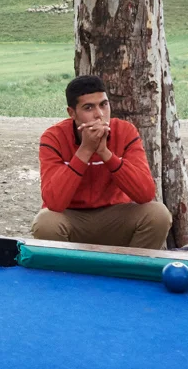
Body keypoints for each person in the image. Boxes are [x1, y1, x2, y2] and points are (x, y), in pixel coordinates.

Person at [31, 75, 172, 248]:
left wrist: (105, 153)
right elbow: (54, 202)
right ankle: (70, 272)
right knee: (45, 223)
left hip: (116, 217)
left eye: (103, 105)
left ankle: (128, 271)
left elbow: (145, 194)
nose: (99, 115)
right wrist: (85, 150)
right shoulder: (53, 137)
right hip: (72, 219)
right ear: (72, 113)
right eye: (88, 107)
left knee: (158, 214)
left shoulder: (125, 131)